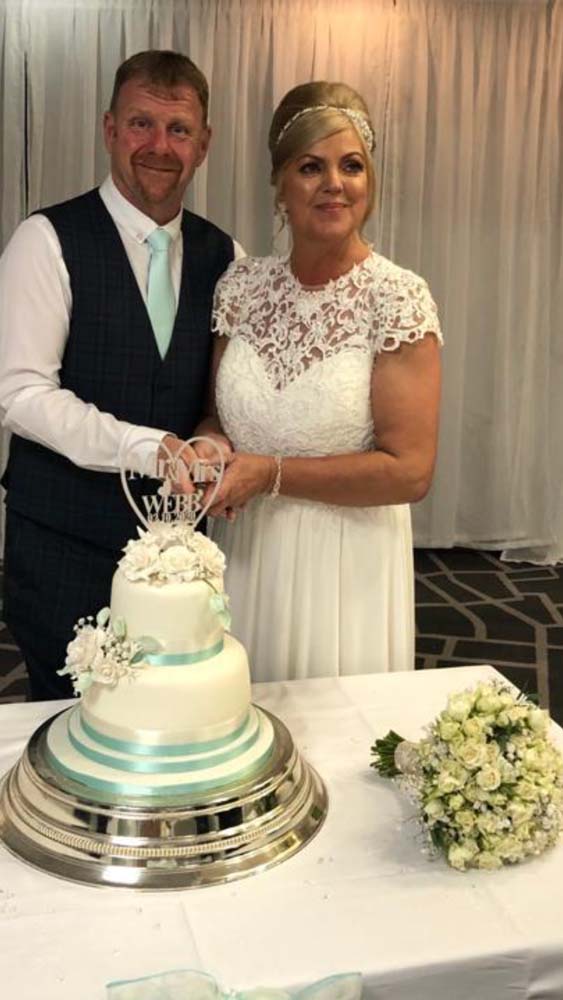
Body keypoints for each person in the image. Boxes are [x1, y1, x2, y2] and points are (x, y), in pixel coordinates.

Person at [0, 50, 237, 700]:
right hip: (61, 546)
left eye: (178, 129)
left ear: (204, 142)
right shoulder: (45, 240)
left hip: (181, 560)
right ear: (109, 129)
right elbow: (20, 396)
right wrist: (145, 447)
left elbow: (222, 402)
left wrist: (214, 441)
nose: (159, 146)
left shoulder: (229, 258)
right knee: (71, 731)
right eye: (141, 124)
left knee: (174, 721)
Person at [195, 81, 442, 681]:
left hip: (345, 565)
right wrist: (209, 446)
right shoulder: (240, 287)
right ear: (280, 185)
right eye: (311, 166)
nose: (335, 183)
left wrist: (272, 474)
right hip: (246, 552)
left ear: (370, 183)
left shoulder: (396, 297)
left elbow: (410, 471)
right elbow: (216, 417)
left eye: (351, 166)